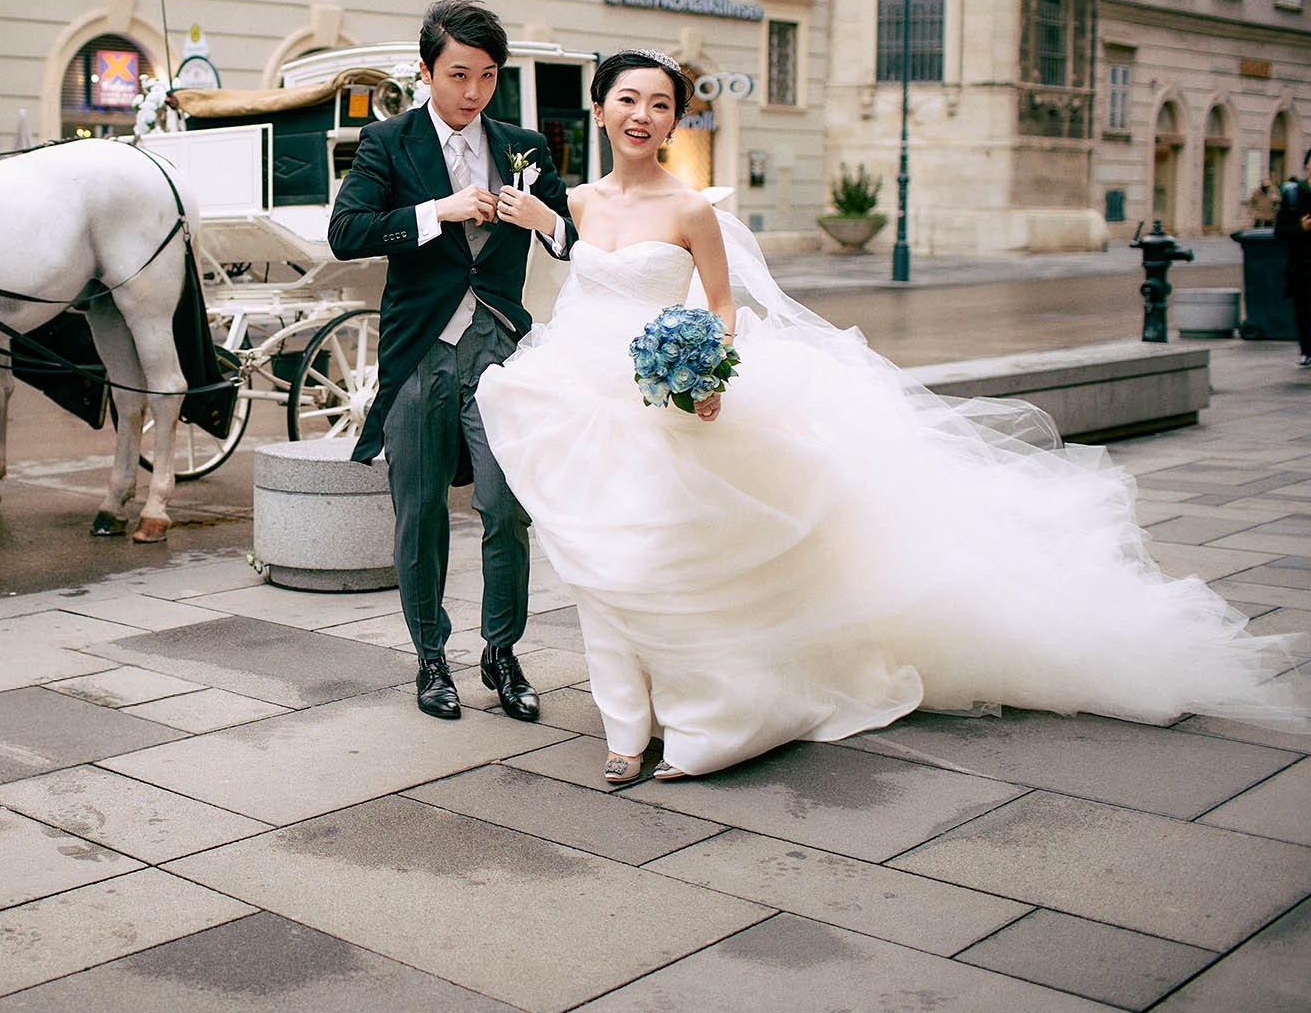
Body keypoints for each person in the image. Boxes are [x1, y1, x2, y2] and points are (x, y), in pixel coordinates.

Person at [477, 49, 1311, 786]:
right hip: (585, 399)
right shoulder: (576, 205)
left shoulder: (693, 211)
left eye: (661, 104)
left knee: (661, 557)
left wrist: (706, 371)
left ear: (676, 117)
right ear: (599, 108)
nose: (644, 116)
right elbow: (577, 286)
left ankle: (705, 718)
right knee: (597, 563)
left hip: (669, 403)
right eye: (628, 100)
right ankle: (625, 727)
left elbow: (724, 307)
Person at [329, 0, 575, 721]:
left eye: (488, 76)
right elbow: (346, 232)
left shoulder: (525, 147)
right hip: (418, 350)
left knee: (506, 506)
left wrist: (543, 219)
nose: (473, 92)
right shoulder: (388, 142)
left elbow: (572, 241)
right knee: (421, 512)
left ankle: (501, 651)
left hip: (498, 346)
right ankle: (431, 657)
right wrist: (440, 210)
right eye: (459, 74)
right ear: (427, 69)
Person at [1275, 152, 1311, 367]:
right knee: (1304, 309)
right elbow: (1279, 231)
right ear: (1306, 167)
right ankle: (1306, 350)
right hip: (1302, 265)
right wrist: (1301, 228)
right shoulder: (1294, 196)